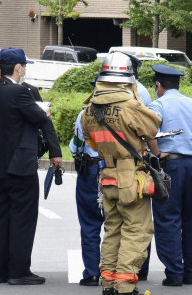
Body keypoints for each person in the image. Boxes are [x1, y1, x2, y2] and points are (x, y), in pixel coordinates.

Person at [81, 52, 162, 295]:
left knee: (112, 230)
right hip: (131, 179)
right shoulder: (130, 106)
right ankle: (125, 285)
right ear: (128, 79)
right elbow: (153, 127)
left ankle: (108, 282)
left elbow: (92, 143)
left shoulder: (89, 110)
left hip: (107, 177)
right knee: (136, 231)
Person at [0, 48, 62, 285]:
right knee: (23, 217)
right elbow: (39, 117)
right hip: (20, 164)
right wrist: (43, 111)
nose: (24, 70)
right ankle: (18, 271)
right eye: (24, 66)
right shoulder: (18, 92)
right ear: (18, 68)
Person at [149, 64, 192, 287]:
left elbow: (148, 132)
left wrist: (157, 154)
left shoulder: (157, 105)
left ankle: (175, 273)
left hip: (171, 167)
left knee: (168, 218)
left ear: (158, 85)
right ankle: (190, 273)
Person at [70, 99, 102, 287]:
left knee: (90, 222)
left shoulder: (85, 114)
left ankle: (92, 273)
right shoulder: (124, 111)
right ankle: (114, 272)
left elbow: (76, 146)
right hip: (118, 171)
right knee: (116, 224)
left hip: (90, 170)